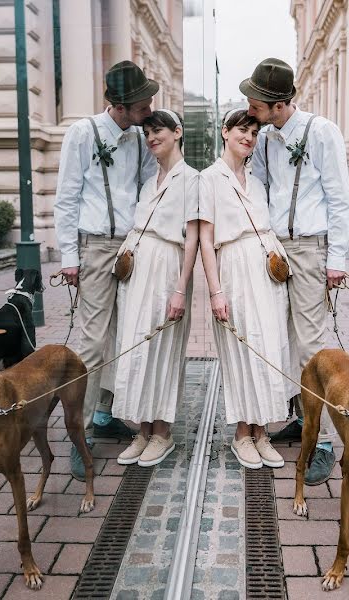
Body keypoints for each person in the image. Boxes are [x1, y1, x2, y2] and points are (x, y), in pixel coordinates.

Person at [241, 58, 349, 485]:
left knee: (310, 346)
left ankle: (323, 442)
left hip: (311, 249)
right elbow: (263, 191)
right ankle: (298, 416)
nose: (249, 106)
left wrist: (336, 261)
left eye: (255, 99)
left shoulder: (321, 131)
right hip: (274, 250)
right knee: (281, 342)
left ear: (279, 102)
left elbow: (339, 199)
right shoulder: (266, 138)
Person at [54, 60, 159, 480]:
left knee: (125, 336)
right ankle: (78, 435)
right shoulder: (83, 133)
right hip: (95, 246)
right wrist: (68, 256)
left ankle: (103, 414)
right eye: (142, 100)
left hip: (135, 247)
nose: (150, 105)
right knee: (94, 341)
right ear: (119, 104)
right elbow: (67, 197)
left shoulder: (140, 135)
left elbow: (154, 187)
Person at [199, 109, 296, 470]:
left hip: (268, 268)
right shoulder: (209, 179)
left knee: (269, 348)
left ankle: (262, 431)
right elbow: (206, 241)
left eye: (254, 132)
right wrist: (215, 291)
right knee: (242, 348)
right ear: (225, 132)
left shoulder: (258, 178)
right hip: (235, 268)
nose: (249, 138)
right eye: (242, 130)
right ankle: (242, 432)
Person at [109, 109, 200, 467]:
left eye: (157, 131)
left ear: (177, 132)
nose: (150, 138)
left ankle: (162, 432)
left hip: (167, 268)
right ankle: (143, 430)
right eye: (147, 133)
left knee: (162, 347)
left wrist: (181, 288)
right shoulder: (150, 180)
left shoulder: (192, 179)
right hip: (137, 270)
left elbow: (192, 237)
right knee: (136, 349)